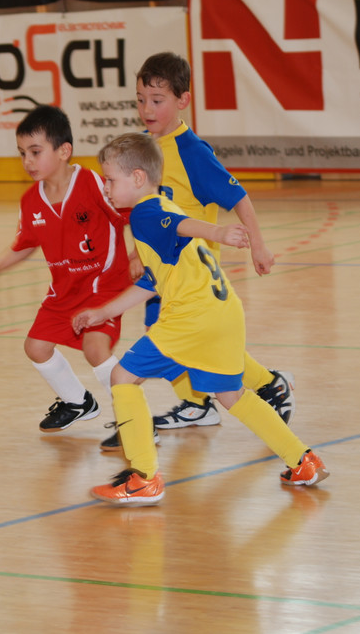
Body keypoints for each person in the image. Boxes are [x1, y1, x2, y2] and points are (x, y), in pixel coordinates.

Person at [73, 132, 328, 505]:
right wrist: (103, 312)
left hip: (191, 317)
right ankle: (303, 460)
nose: (106, 188)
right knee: (231, 394)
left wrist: (219, 232)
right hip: (224, 311)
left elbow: (182, 225)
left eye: (110, 180)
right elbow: (153, 281)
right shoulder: (163, 204)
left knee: (122, 377)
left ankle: (143, 477)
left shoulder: (145, 212)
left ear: (138, 178)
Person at [109, 52, 294, 442]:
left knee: (183, 339)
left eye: (156, 100)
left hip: (193, 274)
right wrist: (137, 253)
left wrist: (258, 246)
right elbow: (150, 212)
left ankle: (265, 384)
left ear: (183, 100)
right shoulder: (144, 150)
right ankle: (200, 404)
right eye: (140, 99)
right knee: (174, 335)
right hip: (165, 272)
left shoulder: (192, 152)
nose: (147, 109)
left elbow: (239, 198)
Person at [0, 105, 136, 433]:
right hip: (64, 291)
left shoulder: (93, 183)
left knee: (95, 348)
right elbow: (25, 242)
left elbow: (134, 214)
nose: (27, 161)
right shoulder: (31, 200)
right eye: (22, 153)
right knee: (35, 347)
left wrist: (139, 255)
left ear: (64, 151)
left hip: (103, 286)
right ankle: (78, 402)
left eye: (35, 152)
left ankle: (133, 420)